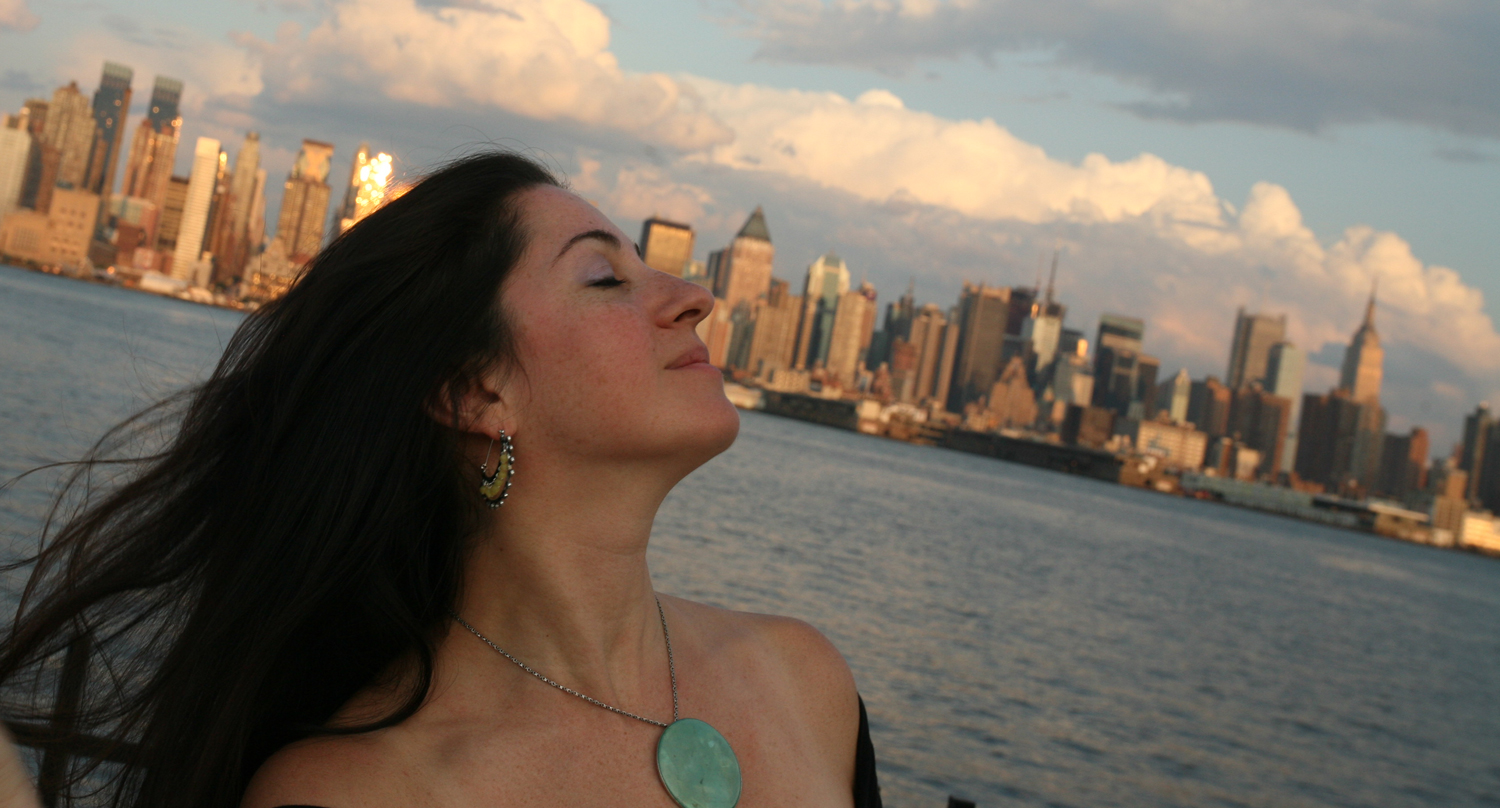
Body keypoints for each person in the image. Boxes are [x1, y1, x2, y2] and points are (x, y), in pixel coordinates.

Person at [0, 151, 881, 807]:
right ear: (472, 391)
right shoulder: (358, 792)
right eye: (606, 276)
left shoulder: (805, 681)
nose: (693, 295)